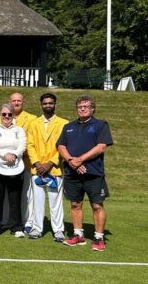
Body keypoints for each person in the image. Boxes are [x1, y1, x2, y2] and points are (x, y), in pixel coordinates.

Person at [57, 95, 113, 252]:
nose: (82, 109)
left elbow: (101, 146)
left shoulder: (101, 125)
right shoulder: (68, 126)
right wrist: (71, 161)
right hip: (72, 173)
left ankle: (99, 237)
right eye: (80, 106)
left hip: (93, 174)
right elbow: (61, 146)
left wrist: (80, 160)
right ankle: (77, 235)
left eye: (86, 106)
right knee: (75, 204)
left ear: (92, 108)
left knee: (97, 205)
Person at [26, 93, 67, 241]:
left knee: (56, 201)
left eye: (50, 103)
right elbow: (30, 145)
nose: (48, 105)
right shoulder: (34, 123)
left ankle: (58, 230)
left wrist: (50, 163)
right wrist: (37, 163)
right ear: (41, 105)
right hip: (37, 170)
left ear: (55, 104)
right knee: (37, 201)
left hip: (54, 169)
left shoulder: (63, 123)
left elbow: (63, 146)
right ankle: (37, 228)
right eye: (45, 103)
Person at [0, 104, 27, 238]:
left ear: (13, 116)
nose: (6, 117)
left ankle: (16, 227)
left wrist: (14, 155)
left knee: (15, 197)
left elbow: (22, 145)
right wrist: (4, 155)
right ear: (0, 115)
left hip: (16, 166)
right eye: (4, 114)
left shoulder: (19, 130)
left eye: (9, 114)